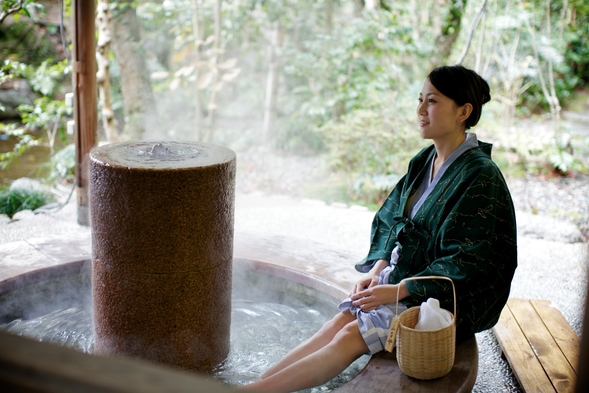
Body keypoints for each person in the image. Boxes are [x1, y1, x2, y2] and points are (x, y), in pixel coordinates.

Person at [240, 65, 518, 393]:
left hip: (442, 298)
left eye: (432, 101)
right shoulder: (425, 160)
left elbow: (466, 262)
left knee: (348, 336)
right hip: (405, 278)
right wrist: (379, 268)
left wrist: (399, 290)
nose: (420, 110)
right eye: (420, 100)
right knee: (341, 320)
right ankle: (256, 385)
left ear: (464, 111)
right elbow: (392, 218)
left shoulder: (479, 176)